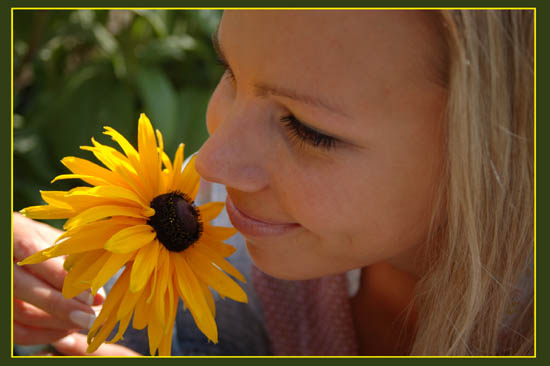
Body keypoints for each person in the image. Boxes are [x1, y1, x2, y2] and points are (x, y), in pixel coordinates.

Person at [13, 9, 534, 356]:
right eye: (230, 71)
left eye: (306, 129)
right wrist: (47, 284)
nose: (210, 162)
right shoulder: (218, 214)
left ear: (509, 144)